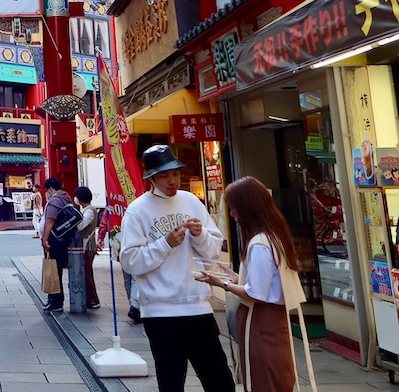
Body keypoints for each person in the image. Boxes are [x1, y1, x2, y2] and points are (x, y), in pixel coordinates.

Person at [121, 145, 234, 392]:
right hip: (160, 313)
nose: (172, 180)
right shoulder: (137, 210)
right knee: (171, 382)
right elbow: (129, 261)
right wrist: (165, 244)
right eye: (164, 175)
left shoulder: (191, 201)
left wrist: (200, 234)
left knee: (220, 380)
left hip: (198, 306)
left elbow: (213, 250)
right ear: (150, 177)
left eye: (175, 173)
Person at [198, 177, 305, 392]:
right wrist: (237, 277)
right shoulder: (274, 236)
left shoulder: (259, 243)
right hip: (275, 319)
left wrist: (221, 283)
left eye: (234, 208)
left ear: (246, 208)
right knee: (276, 377)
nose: (232, 214)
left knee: (262, 379)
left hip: (261, 320)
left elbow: (256, 294)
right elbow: (266, 284)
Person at [40, 177, 73, 313]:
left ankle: (56, 301)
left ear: (51, 189)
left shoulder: (55, 200)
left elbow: (50, 220)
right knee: (55, 270)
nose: (47, 193)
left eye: (47, 190)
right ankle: (54, 300)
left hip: (54, 241)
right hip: (61, 240)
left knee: (53, 271)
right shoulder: (66, 198)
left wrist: (45, 239)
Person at [74, 186, 101, 310]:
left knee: (87, 274)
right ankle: (90, 299)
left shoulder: (89, 211)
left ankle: (93, 300)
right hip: (85, 247)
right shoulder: (86, 210)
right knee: (86, 273)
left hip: (87, 247)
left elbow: (80, 226)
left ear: (80, 198)